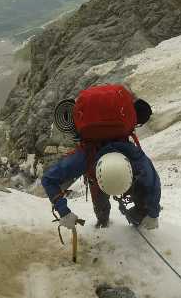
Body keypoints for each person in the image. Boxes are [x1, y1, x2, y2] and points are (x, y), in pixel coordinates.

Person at [41, 88, 161, 230]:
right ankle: (120, 220)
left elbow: (49, 179)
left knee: (100, 205)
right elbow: (152, 183)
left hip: (95, 175)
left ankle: (103, 221)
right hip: (98, 172)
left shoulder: (84, 157)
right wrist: (152, 213)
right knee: (137, 194)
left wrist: (64, 212)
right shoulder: (135, 158)